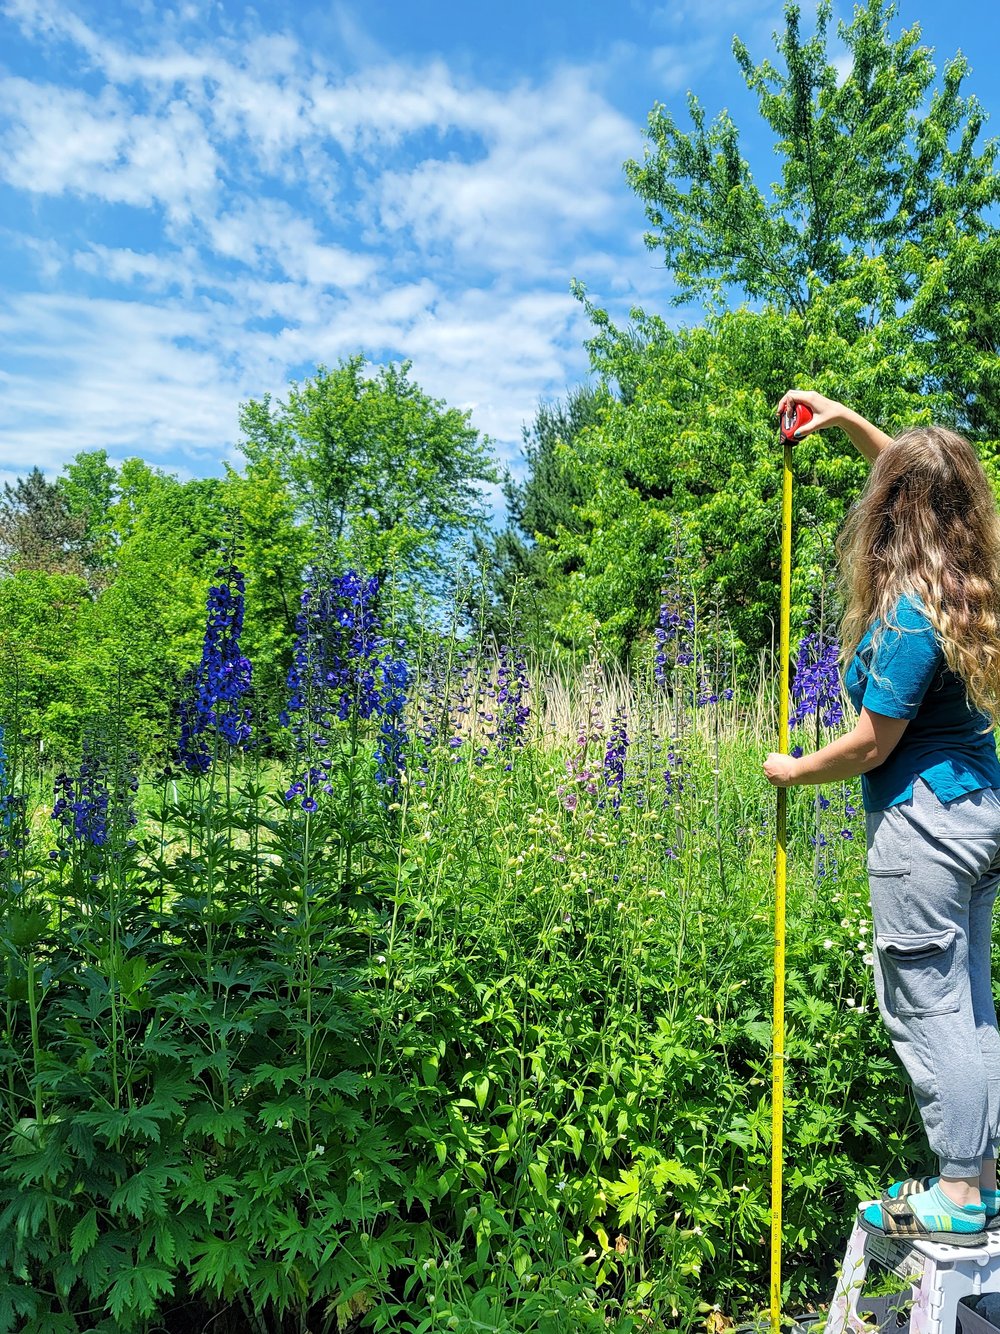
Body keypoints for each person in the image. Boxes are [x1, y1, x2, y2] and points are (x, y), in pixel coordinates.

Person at [763, 389, 1000, 1246]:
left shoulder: (908, 614)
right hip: (979, 812)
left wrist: (794, 770)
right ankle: (985, 1179)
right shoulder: (964, 584)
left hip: (925, 826)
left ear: (897, 509)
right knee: (969, 1006)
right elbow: (918, 477)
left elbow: (870, 742)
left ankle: (960, 1192)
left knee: (928, 1007)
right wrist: (848, 421)